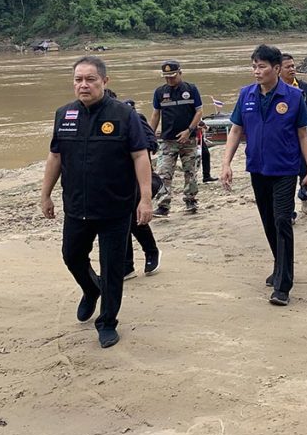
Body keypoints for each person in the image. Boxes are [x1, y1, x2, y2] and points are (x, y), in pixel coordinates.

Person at [40, 56, 153, 348]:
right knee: (71, 256)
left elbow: (140, 155)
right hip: (77, 205)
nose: (84, 85)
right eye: (78, 79)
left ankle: (107, 322)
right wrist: (45, 194)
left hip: (115, 207)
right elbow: (55, 156)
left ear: (104, 81)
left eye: (90, 79)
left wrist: (145, 199)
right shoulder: (64, 115)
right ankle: (91, 289)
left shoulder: (124, 115)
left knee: (112, 267)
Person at [221, 45, 307, 307]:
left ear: (276, 69)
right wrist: (226, 163)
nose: (256, 71)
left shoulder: (294, 96)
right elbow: (236, 130)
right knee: (268, 221)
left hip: (285, 169)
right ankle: (279, 265)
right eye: (254, 66)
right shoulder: (246, 95)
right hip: (257, 168)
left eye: (261, 66)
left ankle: (283, 285)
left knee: (282, 220)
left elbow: (303, 135)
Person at [149, 60, 204, 215]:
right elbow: (155, 115)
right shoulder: (160, 92)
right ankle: (163, 205)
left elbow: (199, 112)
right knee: (163, 173)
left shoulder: (191, 89)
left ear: (180, 73)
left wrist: (189, 130)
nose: (169, 80)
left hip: (189, 139)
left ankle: (190, 201)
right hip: (168, 140)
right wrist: (150, 136)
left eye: (172, 76)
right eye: (166, 77)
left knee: (190, 172)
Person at [280, 53, 307, 216]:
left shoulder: (304, 88)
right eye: (288, 67)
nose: (292, 69)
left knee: (306, 171)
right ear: (278, 69)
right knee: (286, 178)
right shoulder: (275, 90)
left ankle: (305, 196)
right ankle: (289, 211)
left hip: (304, 139)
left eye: (293, 66)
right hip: (284, 142)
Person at [122, 98, 161, 280]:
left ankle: (151, 252)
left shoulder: (134, 118)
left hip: (139, 180)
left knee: (133, 219)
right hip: (113, 183)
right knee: (120, 222)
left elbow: (152, 144)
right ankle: (126, 266)